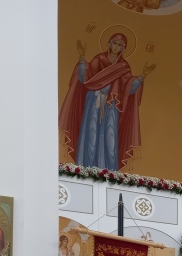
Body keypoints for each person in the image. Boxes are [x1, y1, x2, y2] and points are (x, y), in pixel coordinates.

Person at [59, 33, 156, 171]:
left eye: (120, 45)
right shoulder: (99, 59)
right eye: (114, 43)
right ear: (109, 44)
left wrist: (142, 76)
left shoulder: (123, 66)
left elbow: (129, 88)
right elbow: (84, 77)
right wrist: (82, 57)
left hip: (112, 104)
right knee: (91, 132)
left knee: (111, 137)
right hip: (94, 100)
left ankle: (110, 172)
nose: (116, 47)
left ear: (123, 49)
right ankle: (87, 168)